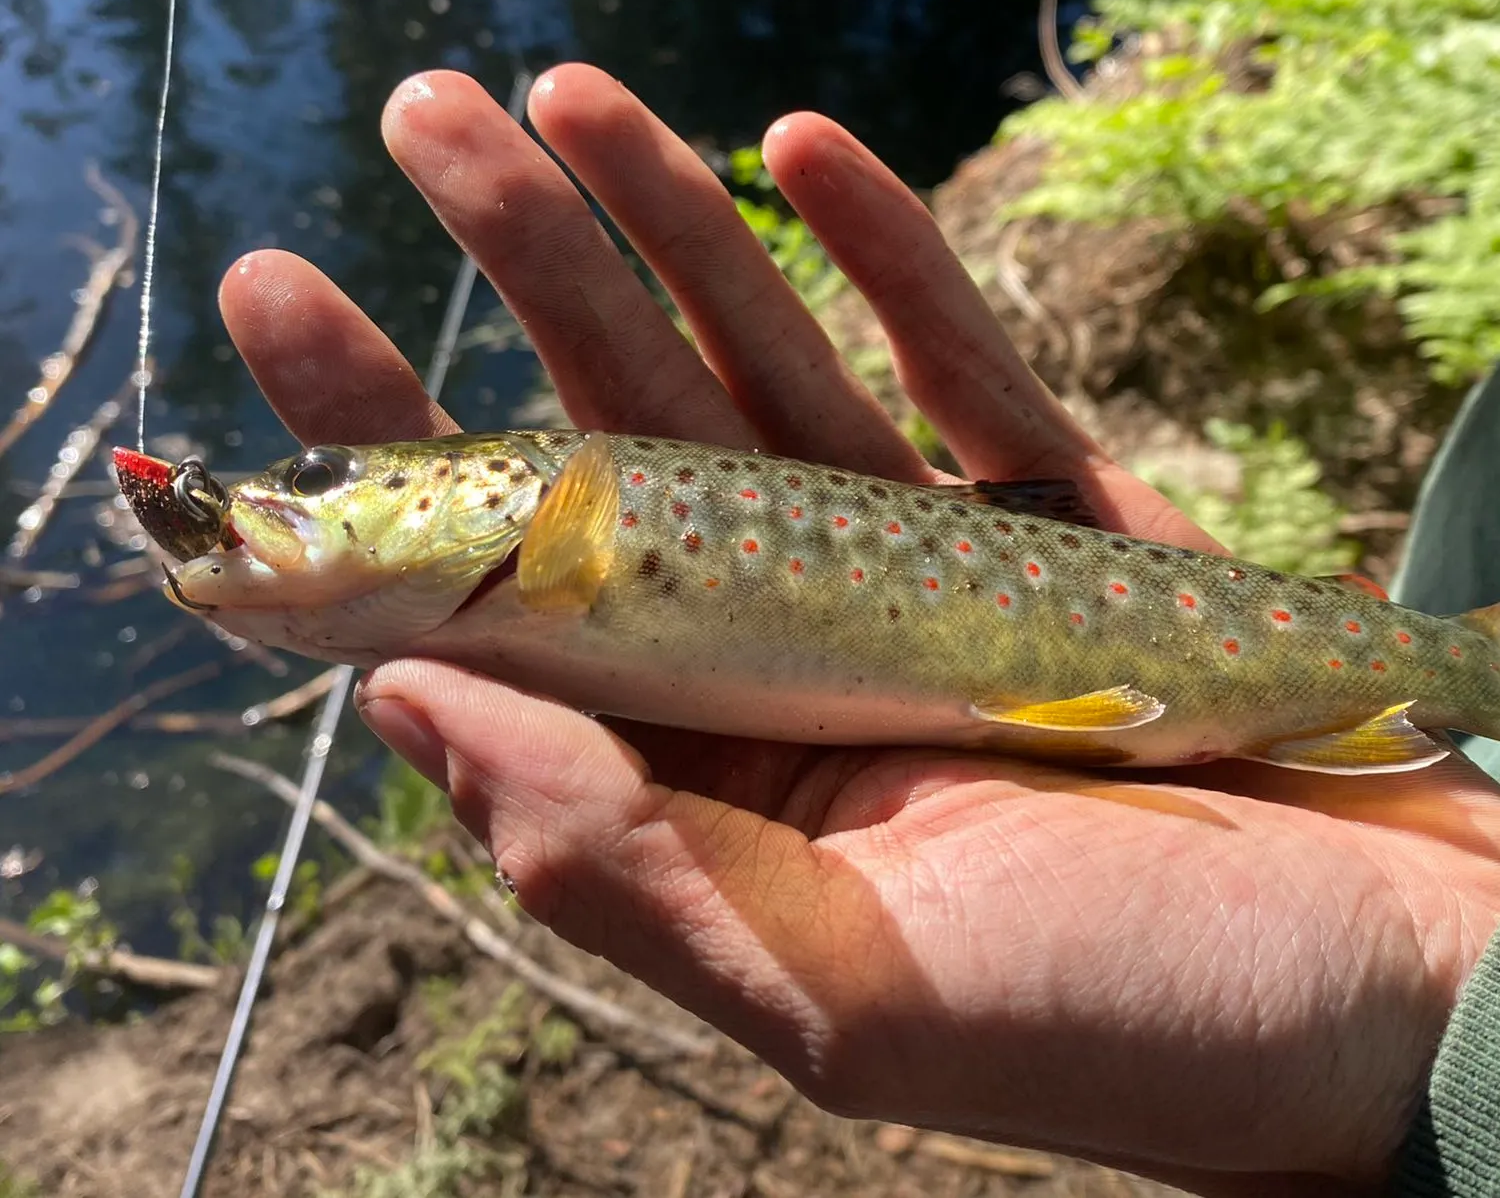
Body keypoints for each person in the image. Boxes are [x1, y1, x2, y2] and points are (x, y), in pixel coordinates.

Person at [218, 60, 1500, 1196]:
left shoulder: (557, 541)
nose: (286, 502)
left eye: (324, 480)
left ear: (508, 498)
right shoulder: (494, 616)